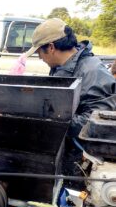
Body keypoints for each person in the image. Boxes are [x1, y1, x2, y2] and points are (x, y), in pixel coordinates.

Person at [25, 18, 116, 180]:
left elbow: (95, 122)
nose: (39, 57)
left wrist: (52, 124)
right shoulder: (61, 67)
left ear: (51, 47)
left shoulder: (92, 71)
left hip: (81, 158)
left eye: (39, 52)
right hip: (65, 148)